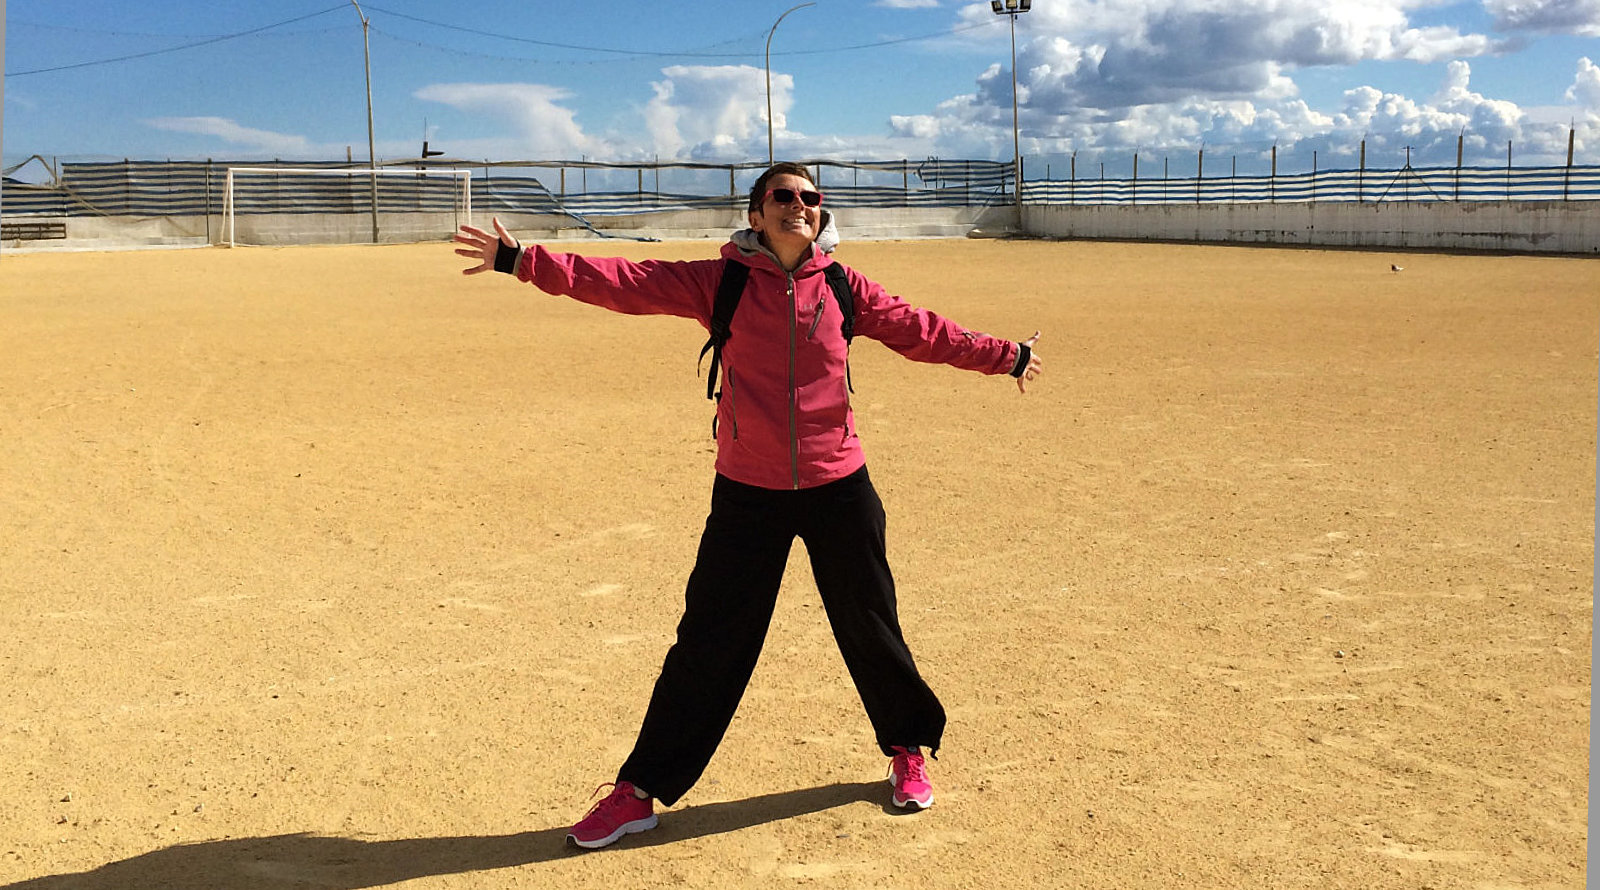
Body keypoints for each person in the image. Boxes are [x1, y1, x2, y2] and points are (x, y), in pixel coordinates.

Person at [453, 162, 1043, 850]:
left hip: (837, 485)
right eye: (783, 196)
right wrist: (524, 262)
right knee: (707, 643)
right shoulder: (720, 281)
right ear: (757, 213)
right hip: (748, 491)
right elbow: (622, 282)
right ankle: (637, 792)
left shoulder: (846, 288)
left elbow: (924, 330)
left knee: (870, 624)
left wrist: (1007, 356)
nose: (800, 206)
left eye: (810, 198)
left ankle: (907, 748)